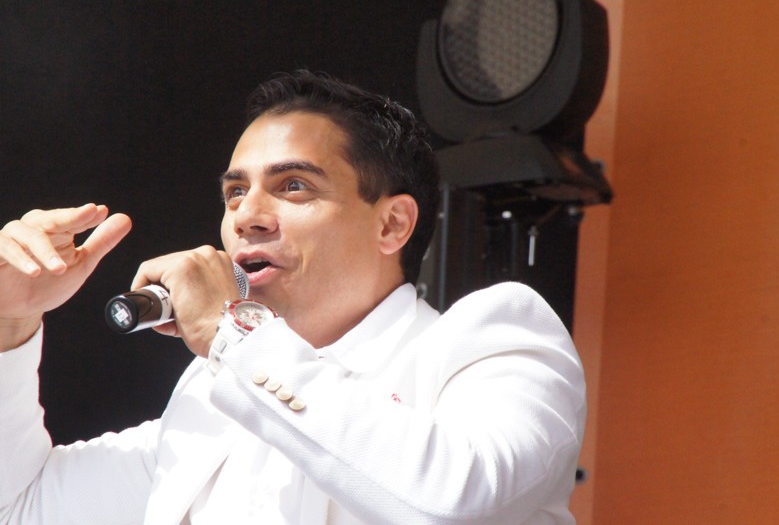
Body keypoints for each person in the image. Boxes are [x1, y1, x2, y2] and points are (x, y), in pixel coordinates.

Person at [0, 71, 586, 524]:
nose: (247, 216)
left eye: (294, 185)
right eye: (235, 192)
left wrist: (231, 336)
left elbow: (455, 503)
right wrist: (10, 321)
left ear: (392, 224)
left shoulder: (490, 340)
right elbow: (21, 507)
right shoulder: (207, 400)